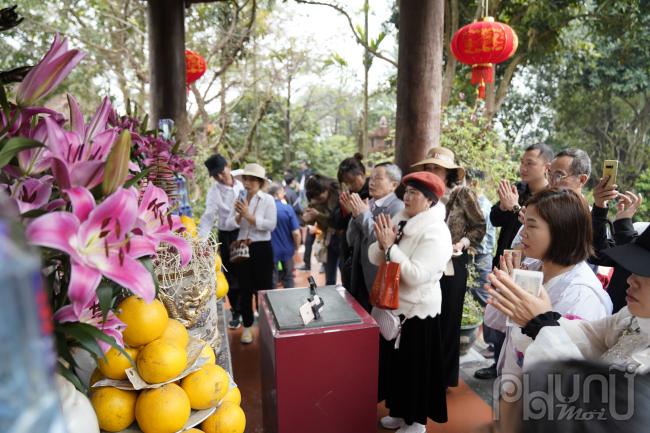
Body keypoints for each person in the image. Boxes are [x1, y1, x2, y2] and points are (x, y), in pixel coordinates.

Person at [486, 225, 650, 377]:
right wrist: (541, 319)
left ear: (561, 231)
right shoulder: (632, 317)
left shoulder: (582, 293)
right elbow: (591, 335)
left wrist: (540, 324)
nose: (630, 280)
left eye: (645, 274)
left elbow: (585, 396)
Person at [486, 189, 612, 379]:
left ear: (562, 230)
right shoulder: (531, 266)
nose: (522, 235)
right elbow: (494, 321)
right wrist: (506, 289)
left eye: (531, 226)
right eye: (523, 225)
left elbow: (568, 371)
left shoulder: (582, 294)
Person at [369, 171, 452, 433]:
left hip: (418, 312)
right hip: (394, 307)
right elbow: (375, 255)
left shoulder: (437, 231)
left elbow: (417, 275)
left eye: (414, 193)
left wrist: (390, 248)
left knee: (415, 369)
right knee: (397, 367)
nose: (407, 197)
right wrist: (383, 244)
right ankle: (399, 411)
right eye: (407, 191)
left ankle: (416, 421)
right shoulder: (402, 219)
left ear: (429, 201)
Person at [476, 143, 553, 380]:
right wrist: (503, 205)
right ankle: (497, 361)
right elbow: (495, 218)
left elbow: (532, 223)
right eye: (522, 162)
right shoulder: (517, 188)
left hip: (531, 266)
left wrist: (517, 208)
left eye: (530, 163)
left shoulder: (551, 198)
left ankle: (517, 371)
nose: (523, 167)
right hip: (506, 259)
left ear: (546, 167)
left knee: (519, 316)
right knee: (498, 312)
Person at [413, 146, 486, 388]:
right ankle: (422, 373)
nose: (432, 171)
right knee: (423, 318)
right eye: (429, 167)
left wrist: (463, 243)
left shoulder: (462, 193)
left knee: (447, 320)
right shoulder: (423, 195)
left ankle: (441, 379)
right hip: (424, 262)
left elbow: (479, 227)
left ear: (449, 172)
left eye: (437, 168)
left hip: (453, 263)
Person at [225, 163, 277, 344]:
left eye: (252, 179)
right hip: (242, 247)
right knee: (244, 288)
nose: (248, 182)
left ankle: (266, 326)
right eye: (246, 179)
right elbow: (230, 224)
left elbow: (271, 225)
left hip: (262, 247)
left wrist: (248, 215)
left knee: (264, 290)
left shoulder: (268, 200)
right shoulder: (239, 198)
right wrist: (239, 215)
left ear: (260, 182)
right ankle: (247, 327)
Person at [343, 163, 404, 311]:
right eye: (371, 178)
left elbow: (379, 241)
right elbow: (351, 240)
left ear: (393, 185)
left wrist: (363, 214)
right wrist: (354, 214)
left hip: (377, 277)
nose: (371, 182)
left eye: (378, 178)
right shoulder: (369, 203)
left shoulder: (397, 208)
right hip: (359, 271)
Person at [198, 153, 245, 329]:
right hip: (226, 236)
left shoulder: (242, 185)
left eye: (220, 172)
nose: (219, 177)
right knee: (231, 275)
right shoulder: (214, 192)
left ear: (228, 166)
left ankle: (248, 308)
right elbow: (208, 217)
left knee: (246, 272)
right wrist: (201, 241)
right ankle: (236, 311)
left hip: (244, 233)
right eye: (215, 174)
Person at [590, 170, 643, 312]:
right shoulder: (641, 231)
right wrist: (600, 208)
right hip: (614, 321)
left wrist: (623, 223)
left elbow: (637, 260)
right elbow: (599, 254)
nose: (631, 280)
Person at [335, 154, 370, 289]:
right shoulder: (348, 194)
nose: (349, 186)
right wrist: (344, 211)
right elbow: (337, 222)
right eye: (346, 183)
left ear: (361, 175)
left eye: (351, 181)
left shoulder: (370, 192)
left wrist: (351, 212)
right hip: (346, 246)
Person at [302, 174, 341, 285]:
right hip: (328, 239)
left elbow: (336, 222)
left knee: (345, 273)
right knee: (329, 277)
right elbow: (309, 221)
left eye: (321, 195)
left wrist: (318, 215)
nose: (320, 199)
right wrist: (307, 219)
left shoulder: (338, 195)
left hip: (341, 237)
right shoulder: (314, 201)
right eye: (317, 197)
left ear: (327, 189)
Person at [466, 169, 496, 306]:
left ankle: (484, 326)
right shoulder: (473, 203)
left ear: (474, 183)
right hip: (473, 253)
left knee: (483, 295)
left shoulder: (482, 205)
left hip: (481, 256)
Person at [269, 183, 301, 288]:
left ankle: (272, 303)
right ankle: (290, 303)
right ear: (278, 194)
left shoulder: (265, 210)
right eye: (283, 191)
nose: (284, 193)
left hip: (270, 251)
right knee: (288, 279)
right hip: (287, 250)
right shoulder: (287, 209)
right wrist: (297, 247)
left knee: (272, 280)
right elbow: (296, 233)